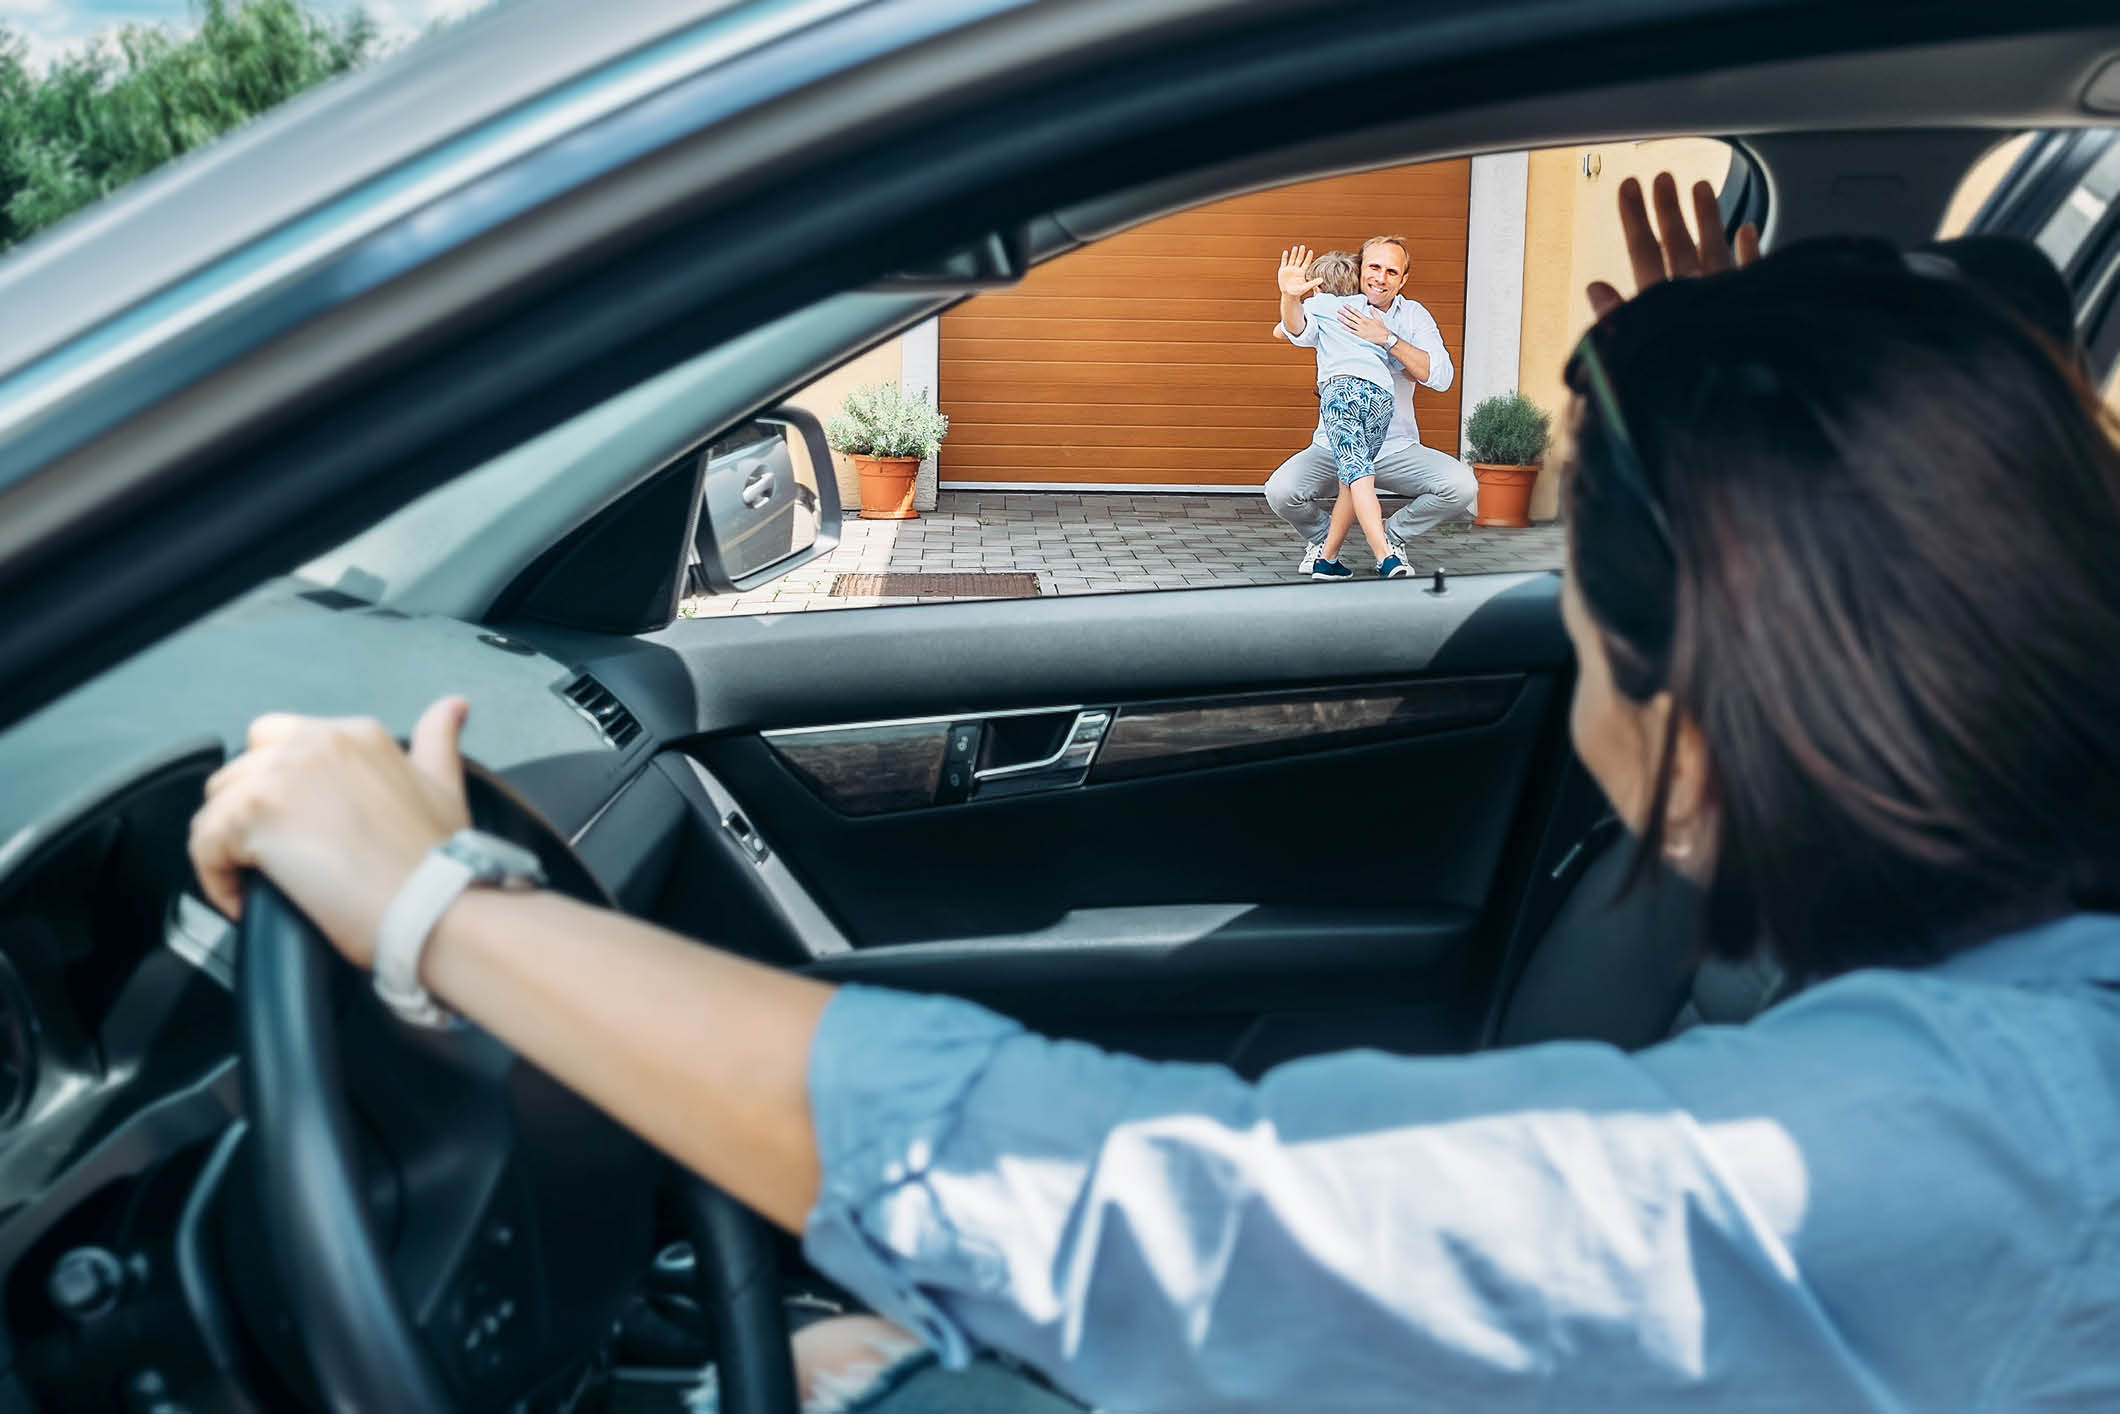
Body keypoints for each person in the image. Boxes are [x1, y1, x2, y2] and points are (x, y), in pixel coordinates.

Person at [190, 175, 2120, 1412]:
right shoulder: (2010, 1001)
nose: (1568, 664)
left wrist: (442, 907)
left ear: (1705, 709)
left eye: (1588, 626)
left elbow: (1175, 1215)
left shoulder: (1963, 1140)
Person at [1265, 234, 1474, 577]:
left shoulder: (1412, 316)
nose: (1381, 277)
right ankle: (1324, 539)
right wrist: (1290, 296)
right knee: (1281, 491)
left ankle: (1391, 537)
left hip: (1395, 449)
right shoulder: (1336, 307)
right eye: (1374, 267)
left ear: (1403, 279)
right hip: (1332, 446)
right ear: (1359, 269)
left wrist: (1387, 340)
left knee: (1461, 486)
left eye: (1392, 271)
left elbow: (1440, 376)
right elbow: (1291, 329)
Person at [1274, 245, 1410, 581]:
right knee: (1352, 478)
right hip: (1381, 397)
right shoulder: (1372, 313)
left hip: (1343, 392)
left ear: (1316, 286)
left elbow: (1284, 330)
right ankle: (1328, 560)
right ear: (1357, 282)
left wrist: (1294, 298)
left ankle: (1385, 555)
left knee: (1359, 475)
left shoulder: (1317, 306)